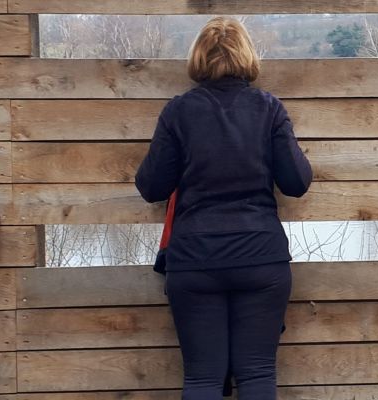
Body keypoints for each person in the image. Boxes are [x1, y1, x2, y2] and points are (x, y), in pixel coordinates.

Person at [134, 16, 312, 400]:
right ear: (247, 56)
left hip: (195, 259)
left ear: (198, 58)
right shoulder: (269, 109)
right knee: (258, 374)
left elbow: (151, 188)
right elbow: (297, 183)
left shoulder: (178, 112)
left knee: (201, 379)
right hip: (260, 257)